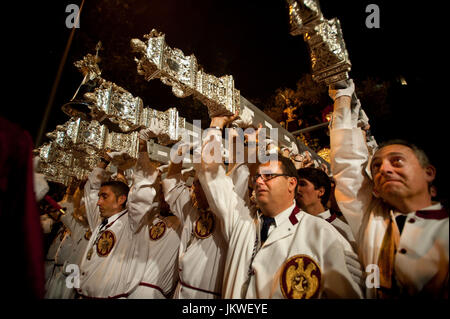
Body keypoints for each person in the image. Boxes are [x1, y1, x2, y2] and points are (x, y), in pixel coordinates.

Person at [195, 114, 364, 299]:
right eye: (257, 177)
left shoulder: (321, 233)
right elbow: (210, 173)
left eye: (268, 176)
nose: (259, 181)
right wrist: (216, 124)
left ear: (292, 183)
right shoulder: (240, 219)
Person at [328, 79, 449, 298]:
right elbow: (347, 165)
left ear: (428, 173)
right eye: (376, 166)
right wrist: (342, 99)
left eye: (397, 161)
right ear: (374, 189)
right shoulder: (372, 219)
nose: (384, 169)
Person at [77, 143, 158, 298]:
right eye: (100, 197)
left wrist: (141, 147)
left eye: (104, 197)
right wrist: (104, 160)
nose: (99, 202)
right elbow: (91, 189)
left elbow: (141, 193)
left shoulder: (132, 223)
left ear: (121, 199)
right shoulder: (100, 222)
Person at [296, 167, 356, 250]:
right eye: (296, 185)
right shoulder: (291, 222)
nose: (297, 189)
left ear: (321, 191)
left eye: (302, 184)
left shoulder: (343, 231)